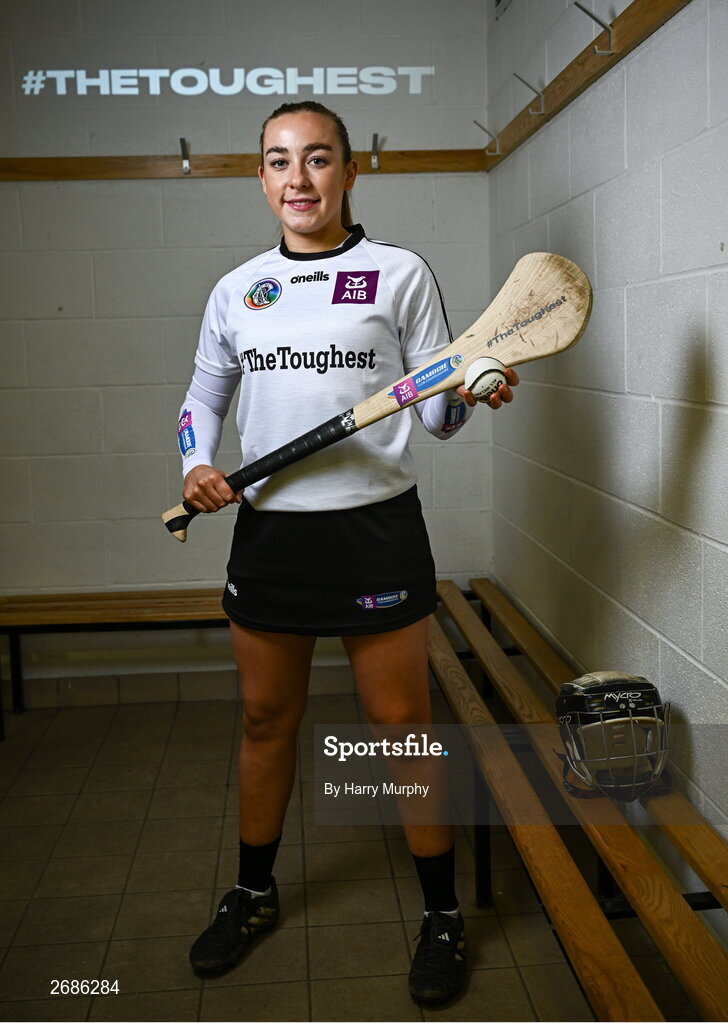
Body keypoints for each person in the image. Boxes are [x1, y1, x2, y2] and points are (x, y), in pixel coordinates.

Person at [176, 100, 518, 1006]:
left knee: (401, 728)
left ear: (349, 171)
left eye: (318, 159)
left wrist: (471, 392)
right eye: (279, 162)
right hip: (274, 531)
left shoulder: (398, 273)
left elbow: (435, 412)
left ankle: (442, 913)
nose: (299, 180)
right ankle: (253, 890)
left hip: (376, 531)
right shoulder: (238, 289)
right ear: (261, 177)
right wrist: (197, 464)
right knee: (263, 722)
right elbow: (202, 398)